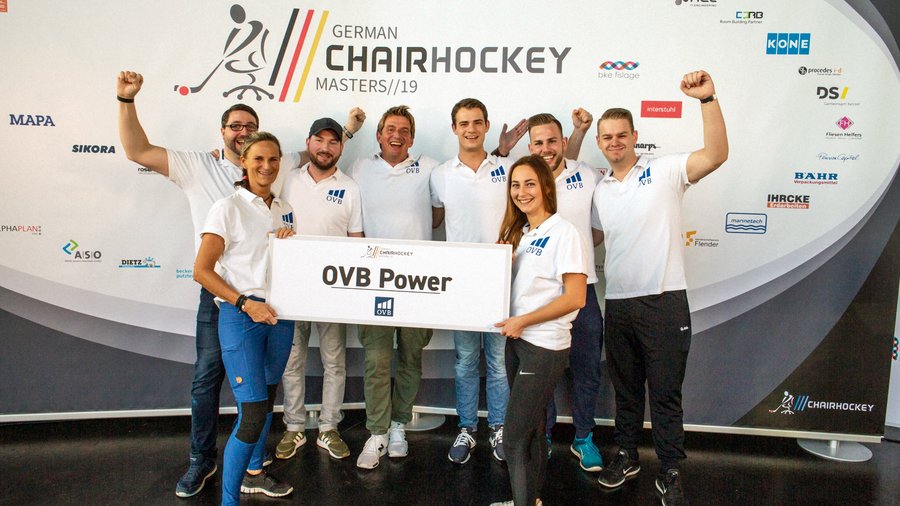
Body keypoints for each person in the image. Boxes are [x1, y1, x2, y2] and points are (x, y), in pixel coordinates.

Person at [116, 70, 364, 497]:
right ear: (228, 138)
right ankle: (202, 463)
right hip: (228, 301)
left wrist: (350, 131)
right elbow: (137, 150)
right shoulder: (210, 180)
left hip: (276, 309)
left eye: (252, 129)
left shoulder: (281, 201)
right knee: (211, 381)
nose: (263, 160)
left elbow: (320, 152)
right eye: (237, 128)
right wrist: (126, 100)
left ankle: (253, 470)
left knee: (264, 397)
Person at [592, 70, 728, 506]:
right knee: (627, 392)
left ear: (635, 136)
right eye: (606, 137)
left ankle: (670, 470)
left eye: (621, 135)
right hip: (618, 304)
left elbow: (717, 154)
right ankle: (627, 455)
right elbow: (588, 235)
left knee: (666, 395)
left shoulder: (666, 170)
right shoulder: (600, 190)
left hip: (664, 302)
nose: (614, 142)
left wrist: (707, 100)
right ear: (599, 143)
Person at [192, 132, 296, 506]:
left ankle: (255, 474)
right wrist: (243, 303)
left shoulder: (284, 208)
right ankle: (229, 501)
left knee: (267, 402)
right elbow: (202, 271)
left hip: (280, 317)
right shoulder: (227, 207)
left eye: (273, 160)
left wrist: (290, 243)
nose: (266, 167)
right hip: (243, 316)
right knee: (251, 415)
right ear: (243, 163)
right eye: (258, 160)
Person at [430, 98, 527, 465]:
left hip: (501, 280)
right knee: (465, 360)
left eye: (477, 122)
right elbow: (438, 220)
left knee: (499, 363)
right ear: (454, 128)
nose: (470, 129)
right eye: (463, 123)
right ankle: (467, 428)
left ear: (486, 126)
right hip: (461, 284)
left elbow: (523, 213)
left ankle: (499, 427)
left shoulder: (508, 167)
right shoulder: (439, 174)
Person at [492, 154, 588, 506]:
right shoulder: (524, 234)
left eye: (529, 183)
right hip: (517, 341)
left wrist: (524, 321)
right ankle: (529, 500)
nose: (521, 191)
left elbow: (576, 297)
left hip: (542, 346)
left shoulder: (564, 232)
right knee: (531, 433)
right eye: (515, 185)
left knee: (514, 438)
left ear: (546, 186)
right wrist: (505, 265)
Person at [348, 106, 437, 469]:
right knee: (377, 360)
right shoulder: (360, 168)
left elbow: (440, 211)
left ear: (411, 138)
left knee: (411, 357)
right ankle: (377, 432)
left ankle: (399, 425)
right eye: (390, 129)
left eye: (404, 130)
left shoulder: (429, 167)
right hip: (375, 282)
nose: (396, 135)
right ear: (379, 135)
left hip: (417, 281)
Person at [276, 117, 364, 462]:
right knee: (292, 362)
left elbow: (356, 241)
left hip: (333, 291)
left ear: (341, 147)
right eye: (319, 141)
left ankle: (329, 428)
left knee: (334, 362)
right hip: (291, 288)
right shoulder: (286, 179)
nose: (325, 148)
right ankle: (294, 427)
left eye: (333, 142)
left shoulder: (351, 187)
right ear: (308, 142)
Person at [526, 110, 606, 471]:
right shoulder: (526, 183)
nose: (546, 148)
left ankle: (583, 437)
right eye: (539, 142)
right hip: (542, 297)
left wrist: (577, 259)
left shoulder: (586, 174)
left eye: (552, 141)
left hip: (584, 292)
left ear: (563, 143)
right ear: (530, 147)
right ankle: (542, 435)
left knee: (587, 370)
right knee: (543, 373)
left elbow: (598, 230)